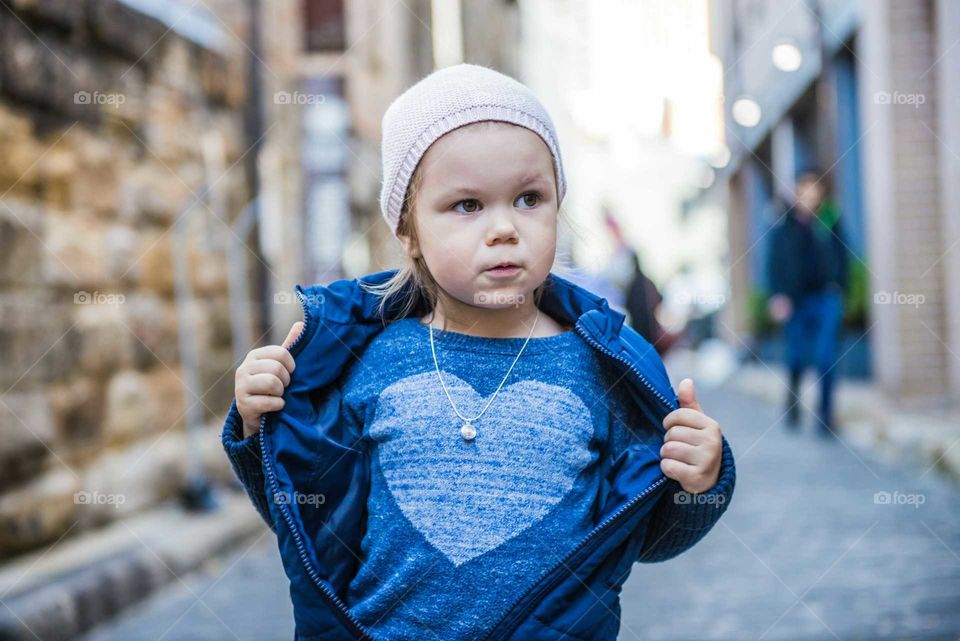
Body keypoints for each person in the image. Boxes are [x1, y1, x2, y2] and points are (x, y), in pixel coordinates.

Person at [221, 64, 736, 641]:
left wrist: (700, 482)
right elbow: (310, 515)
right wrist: (255, 421)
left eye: (528, 199)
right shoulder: (371, 359)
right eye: (467, 205)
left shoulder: (599, 366)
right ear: (410, 230)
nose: (503, 229)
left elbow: (651, 538)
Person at [766, 171, 849, 436]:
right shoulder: (784, 227)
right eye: (803, 189)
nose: (808, 195)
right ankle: (793, 403)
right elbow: (774, 265)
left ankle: (825, 416)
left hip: (826, 297)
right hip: (796, 302)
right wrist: (778, 296)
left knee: (826, 357)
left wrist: (839, 286)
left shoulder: (829, 221)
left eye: (813, 189)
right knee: (797, 357)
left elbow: (843, 255)